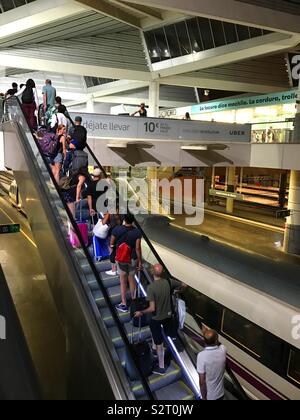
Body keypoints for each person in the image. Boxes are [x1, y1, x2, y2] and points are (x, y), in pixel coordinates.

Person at [134, 264, 181, 376]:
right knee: (161, 338)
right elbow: (184, 285)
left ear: (152, 273)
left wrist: (141, 312)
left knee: (159, 342)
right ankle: (154, 348)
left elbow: (152, 308)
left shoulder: (151, 288)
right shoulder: (169, 282)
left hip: (155, 319)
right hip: (167, 316)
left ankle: (161, 367)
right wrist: (178, 291)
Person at [110, 214, 142, 312]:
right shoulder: (137, 232)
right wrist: (140, 261)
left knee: (123, 281)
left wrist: (113, 251)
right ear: (132, 221)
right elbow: (137, 248)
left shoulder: (117, 229)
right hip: (132, 259)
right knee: (132, 280)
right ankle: (133, 301)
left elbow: (111, 243)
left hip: (121, 259)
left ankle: (124, 303)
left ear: (124, 220)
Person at [197, 329, 227, 401]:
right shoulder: (223, 350)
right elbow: (220, 344)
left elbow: (202, 381)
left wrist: (204, 398)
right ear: (216, 340)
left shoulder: (201, 356)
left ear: (204, 341)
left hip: (210, 397)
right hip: (221, 393)